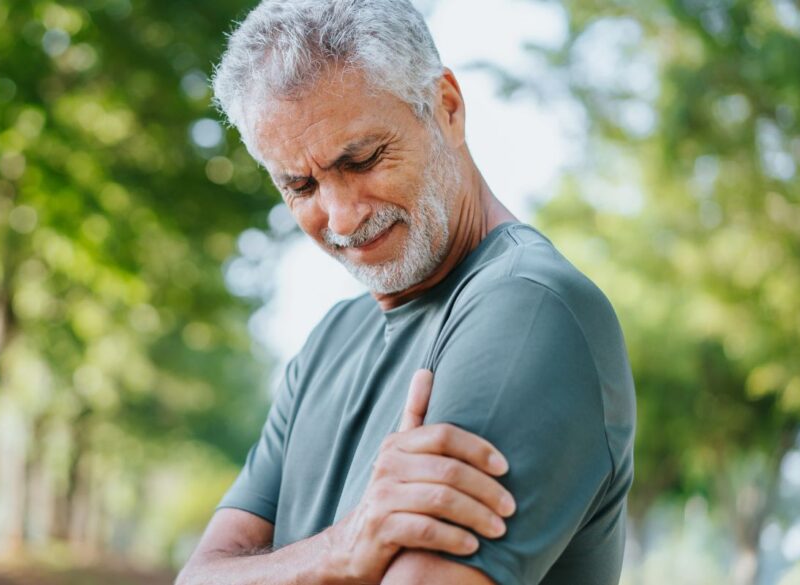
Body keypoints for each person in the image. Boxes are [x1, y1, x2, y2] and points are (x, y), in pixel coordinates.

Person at [176, 1, 636, 583]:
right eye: (300, 185)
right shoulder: (330, 339)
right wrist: (341, 550)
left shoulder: (529, 308)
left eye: (364, 159)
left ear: (446, 108)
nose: (341, 218)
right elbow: (198, 576)